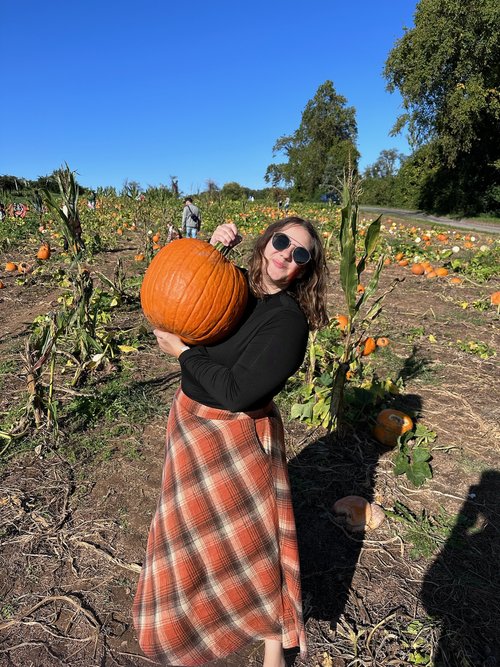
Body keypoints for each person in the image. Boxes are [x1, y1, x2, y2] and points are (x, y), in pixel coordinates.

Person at [133, 216, 329, 667]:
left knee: (256, 547)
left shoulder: (288, 324)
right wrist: (211, 247)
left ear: (305, 268)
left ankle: (274, 645)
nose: (285, 255)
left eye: (300, 253)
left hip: (236, 436)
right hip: (190, 423)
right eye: (282, 241)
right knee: (189, 536)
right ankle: (185, 622)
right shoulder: (237, 288)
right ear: (266, 241)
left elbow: (237, 392)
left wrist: (183, 353)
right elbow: (188, 287)